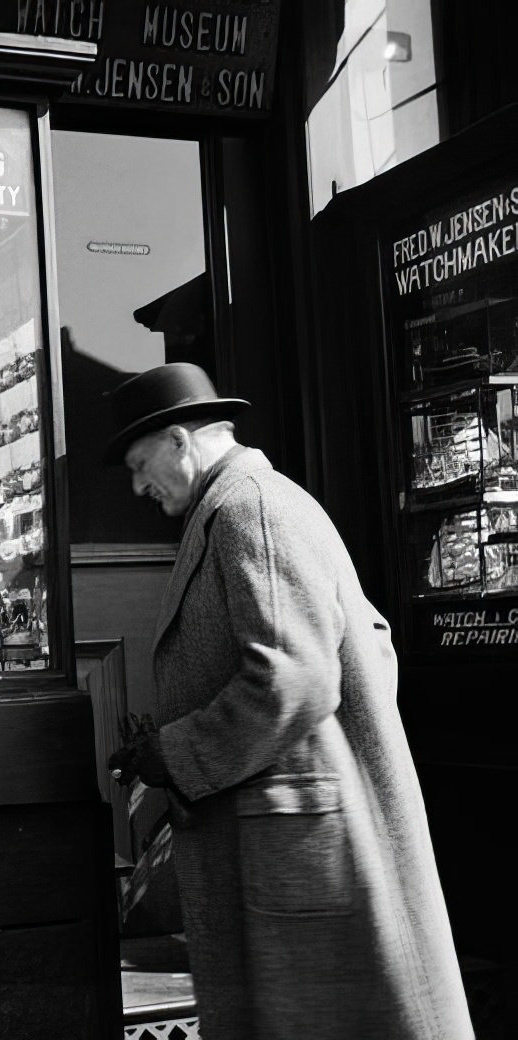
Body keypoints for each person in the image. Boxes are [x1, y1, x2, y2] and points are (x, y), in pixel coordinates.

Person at [104, 363, 473, 1040]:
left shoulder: (251, 509)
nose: (137, 484)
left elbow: (295, 676)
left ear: (182, 442)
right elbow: (370, 644)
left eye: (140, 462)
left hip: (302, 849)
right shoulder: (251, 504)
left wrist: (179, 751)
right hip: (299, 837)